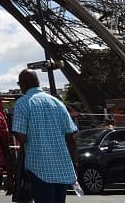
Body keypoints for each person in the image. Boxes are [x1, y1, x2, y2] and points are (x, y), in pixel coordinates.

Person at [11, 69, 77, 203]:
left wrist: (13, 128)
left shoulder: (23, 103)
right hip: (63, 167)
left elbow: (22, 137)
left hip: (39, 168)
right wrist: (74, 163)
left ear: (23, 84)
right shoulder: (58, 103)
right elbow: (71, 137)